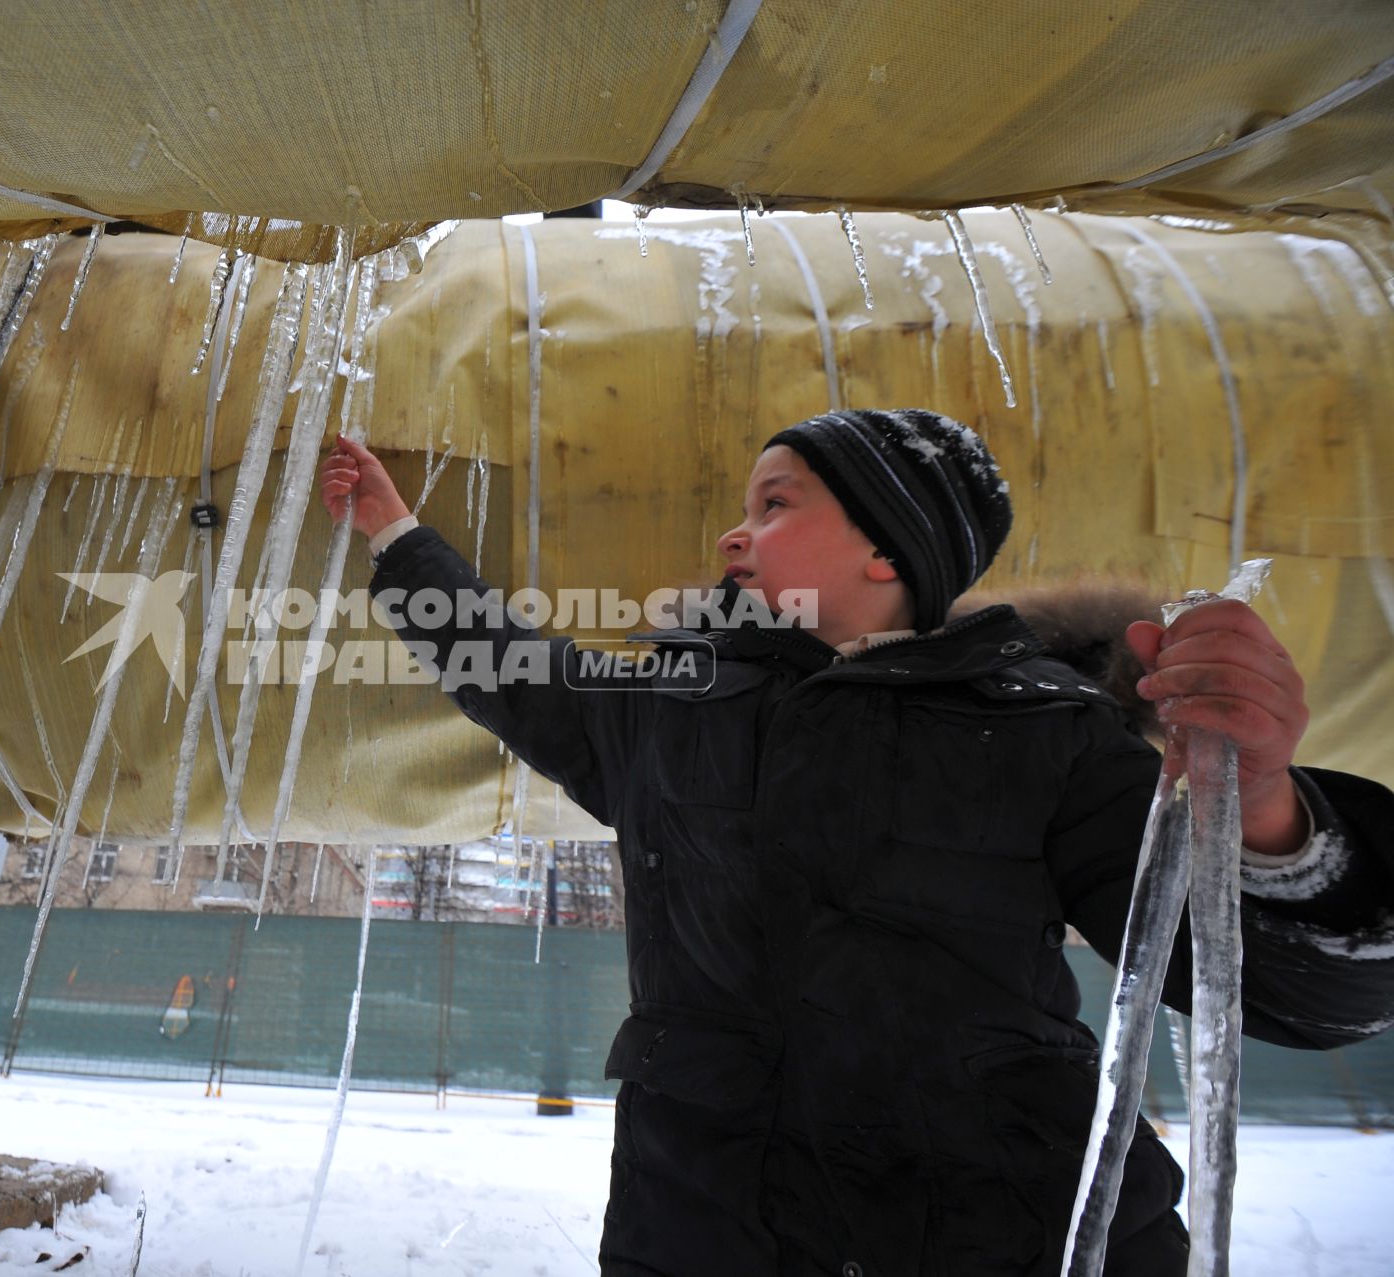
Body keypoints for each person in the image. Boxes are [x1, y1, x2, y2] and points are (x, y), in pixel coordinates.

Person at [319, 407, 1394, 1276]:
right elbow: (497, 656)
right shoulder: (666, 709)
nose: (735, 534)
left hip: (1011, 1228)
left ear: (891, 547)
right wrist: (395, 533)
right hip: (707, 1227)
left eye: (773, 504)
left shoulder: (1045, 730)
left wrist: (1260, 815)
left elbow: (1288, 990)